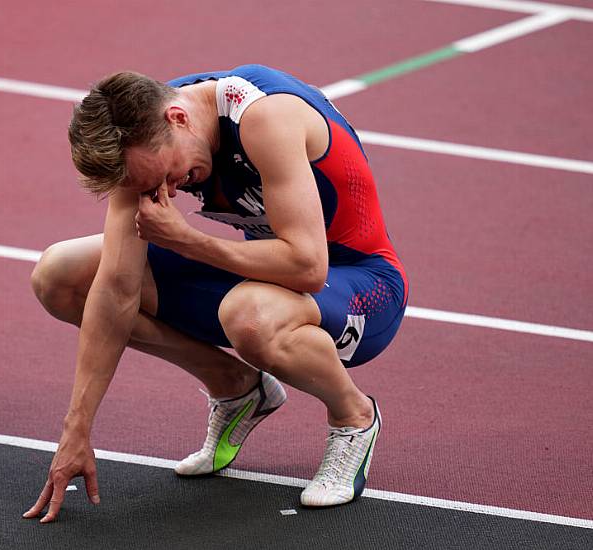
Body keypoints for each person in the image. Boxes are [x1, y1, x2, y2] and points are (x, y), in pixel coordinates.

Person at [25, 64, 408, 523]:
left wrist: (188, 240)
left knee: (249, 316)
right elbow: (117, 289)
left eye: (168, 175)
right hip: (266, 281)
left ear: (178, 119)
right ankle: (237, 389)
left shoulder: (265, 118)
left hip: (362, 287)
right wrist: (76, 429)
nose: (165, 191)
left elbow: (308, 266)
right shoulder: (144, 146)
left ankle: (353, 416)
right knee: (60, 276)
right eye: (150, 187)